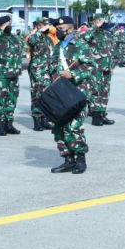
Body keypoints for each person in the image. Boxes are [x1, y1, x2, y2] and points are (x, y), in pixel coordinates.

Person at [48, 16, 93, 174]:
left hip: (76, 92)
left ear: (71, 29)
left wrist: (73, 74)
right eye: (57, 29)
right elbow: (51, 67)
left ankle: (80, 159)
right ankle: (68, 159)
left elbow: (90, 68)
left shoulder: (81, 45)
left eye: (61, 29)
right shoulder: (58, 46)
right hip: (60, 93)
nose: (58, 31)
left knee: (74, 126)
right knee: (59, 126)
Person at [0, 16, 22, 135]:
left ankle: (9, 124)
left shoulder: (14, 38)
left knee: (11, 100)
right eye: (7, 24)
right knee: (0, 100)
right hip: (1, 74)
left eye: (10, 23)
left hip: (14, 74)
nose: (10, 25)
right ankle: (0, 125)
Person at [80, 13, 116, 126]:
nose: (100, 21)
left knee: (105, 92)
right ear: (94, 20)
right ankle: (95, 117)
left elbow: (110, 51)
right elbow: (83, 39)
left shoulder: (108, 34)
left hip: (106, 67)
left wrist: (112, 66)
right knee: (96, 91)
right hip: (96, 67)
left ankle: (102, 114)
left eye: (102, 19)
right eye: (98, 20)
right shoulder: (90, 32)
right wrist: (95, 27)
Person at [26, 18, 55, 131]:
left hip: (48, 71)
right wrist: (38, 31)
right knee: (37, 95)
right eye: (46, 25)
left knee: (46, 96)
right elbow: (30, 42)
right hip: (37, 71)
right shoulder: (34, 36)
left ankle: (45, 120)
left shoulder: (48, 39)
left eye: (49, 25)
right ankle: (37, 121)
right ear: (39, 25)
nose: (49, 27)